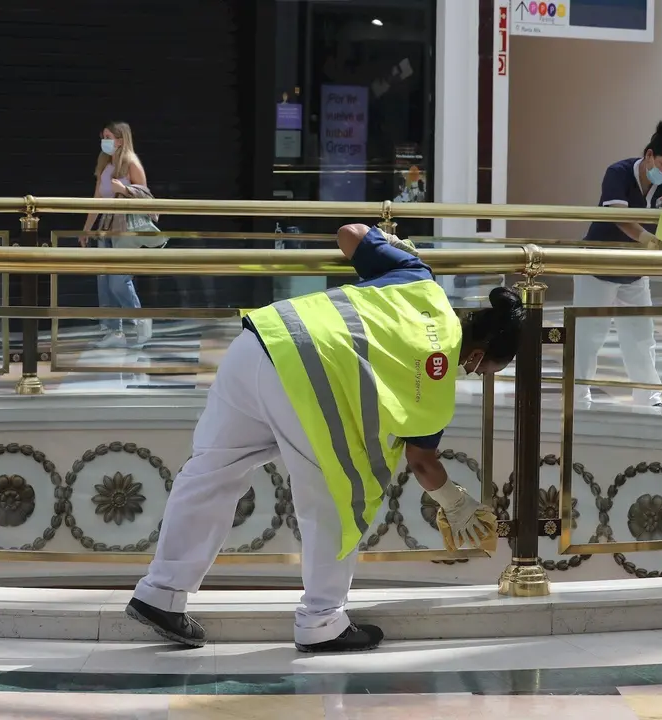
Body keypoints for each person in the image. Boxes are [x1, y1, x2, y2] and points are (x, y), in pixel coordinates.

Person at [125, 223, 524, 652]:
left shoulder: (418, 280)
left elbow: (349, 233)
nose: (473, 374)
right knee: (341, 494)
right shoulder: (438, 391)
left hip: (262, 343)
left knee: (211, 472)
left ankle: (160, 593)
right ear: (479, 354)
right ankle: (322, 621)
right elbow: (422, 463)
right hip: (306, 387)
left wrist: (389, 243)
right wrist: (457, 503)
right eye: (483, 370)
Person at [574, 119, 662, 408]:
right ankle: (577, 399)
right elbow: (618, 216)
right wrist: (647, 238)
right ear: (649, 155)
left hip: (635, 273)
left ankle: (649, 399)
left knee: (641, 337)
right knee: (589, 339)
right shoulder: (618, 172)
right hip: (598, 268)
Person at [82, 121, 153, 349]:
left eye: (109, 136)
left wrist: (124, 190)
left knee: (118, 282)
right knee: (103, 282)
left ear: (121, 139)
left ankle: (141, 320)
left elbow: (147, 197)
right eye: (103, 136)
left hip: (124, 229)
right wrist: (86, 228)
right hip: (105, 228)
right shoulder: (105, 165)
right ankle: (113, 330)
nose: (105, 141)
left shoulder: (131, 163)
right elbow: (97, 200)